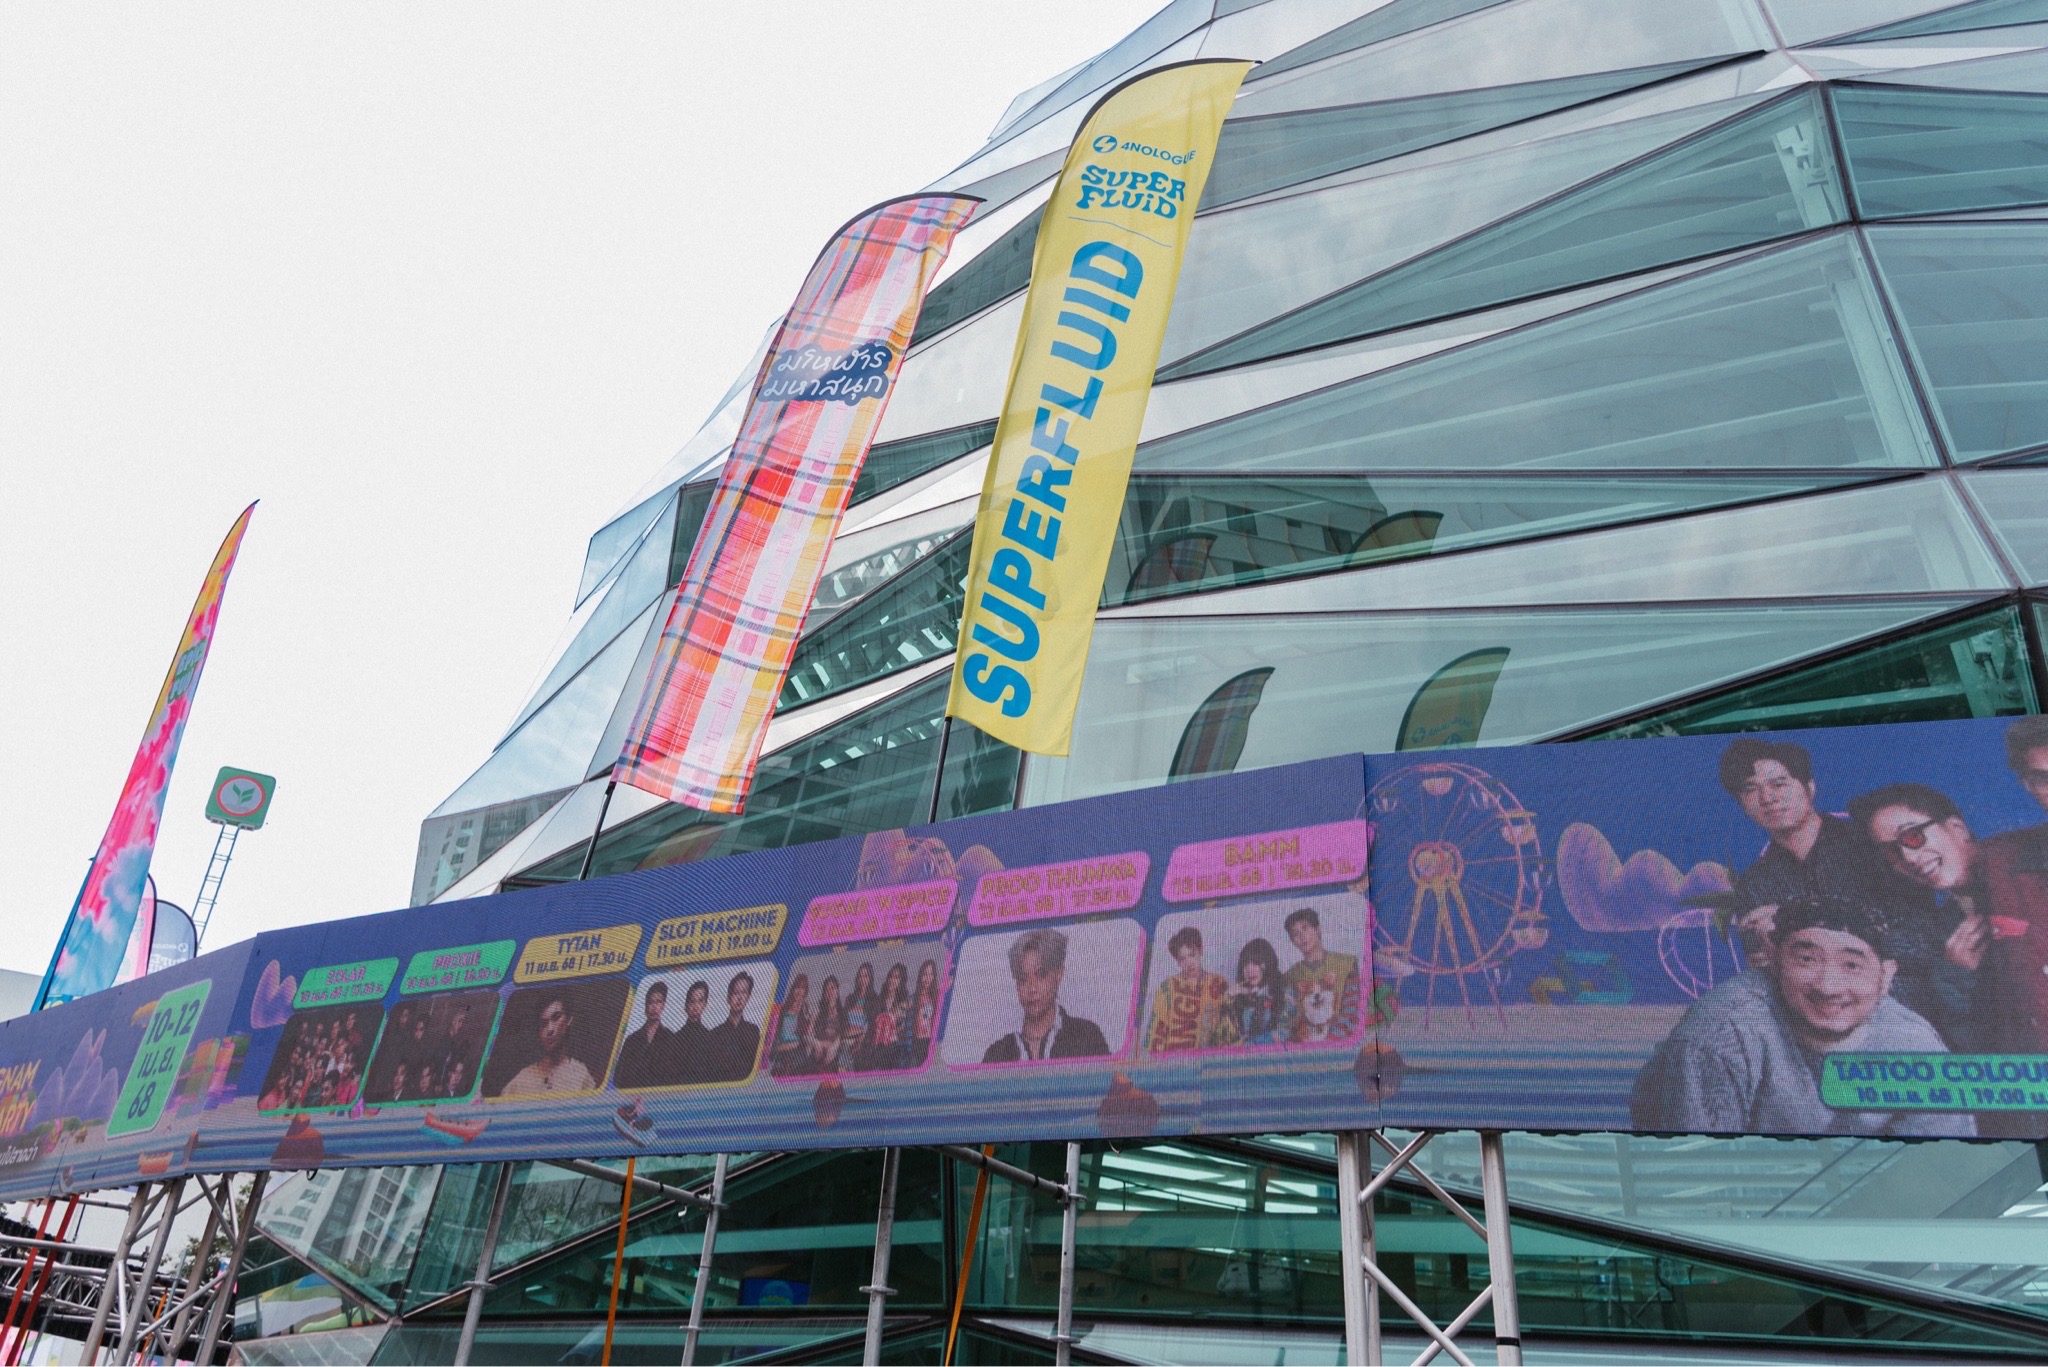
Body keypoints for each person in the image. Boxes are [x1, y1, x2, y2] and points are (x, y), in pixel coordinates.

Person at [1629, 895, 1970, 1137]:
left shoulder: (1916, 1045)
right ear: (1774, 961)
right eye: (1806, 960)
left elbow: (1937, 1172)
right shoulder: (1720, 1037)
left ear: (1886, 976)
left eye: (1852, 965)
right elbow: (1696, 1176)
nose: (1828, 986)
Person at [1718, 737, 1913, 964]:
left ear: (1809, 788)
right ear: (1742, 805)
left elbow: (1923, 937)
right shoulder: (1754, 884)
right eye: (1751, 789)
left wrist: (1802, 919)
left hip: (1897, 978)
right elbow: (1764, 963)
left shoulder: (1870, 843)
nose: (1768, 798)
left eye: (1779, 784)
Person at [1844, 783, 1990, 1047]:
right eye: (1891, 851)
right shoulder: (1946, 930)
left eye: (1912, 836)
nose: (1908, 858)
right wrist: (1955, 976)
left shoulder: (2029, 872)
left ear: (1957, 827)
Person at [981, 928, 1111, 1063]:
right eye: (1023, 979)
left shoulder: (1087, 1038)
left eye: (1041, 975)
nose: (1032, 988)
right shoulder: (997, 1054)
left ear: (1059, 974)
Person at [1145, 928, 1235, 1053]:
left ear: (1201, 950)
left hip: (1209, 1058)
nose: (1189, 963)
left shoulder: (1219, 983)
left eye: (1192, 955)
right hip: (1173, 1061)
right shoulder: (1167, 987)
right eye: (1182, 959)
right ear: (1177, 961)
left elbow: (1228, 1027)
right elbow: (1156, 1032)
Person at [1281, 908, 1360, 1042]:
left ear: (1318, 930)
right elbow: (1288, 1019)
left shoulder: (1347, 963)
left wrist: (1330, 1039)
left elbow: (1353, 1010)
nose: (1301, 936)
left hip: (1343, 1038)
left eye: (1305, 928)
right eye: (1295, 934)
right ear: (1292, 941)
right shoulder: (1289, 976)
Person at [499, 996, 596, 1097]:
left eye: (556, 1018)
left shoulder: (580, 1075)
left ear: (568, 1020)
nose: (549, 1029)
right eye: (543, 1023)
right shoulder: (522, 1079)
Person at [1227, 938, 1292, 1046]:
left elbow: (1283, 1033)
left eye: (1256, 963)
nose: (1249, 970)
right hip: (1243, 1055)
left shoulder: (1285, 993)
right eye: (1245, 964)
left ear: (1268, 964)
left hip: (1277, 1055)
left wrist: (1245, 1045)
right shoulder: (1240, 998)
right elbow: (1226, 1035)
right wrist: (1228, 999)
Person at [613, 982, 676, 1090]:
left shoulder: (670, 1038)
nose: (654, 1007)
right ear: (645, 1006)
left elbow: (674, 1075)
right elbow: (619, 1077)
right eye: (651, 1002)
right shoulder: (631, 1040)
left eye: (658, 1002)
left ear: (663, 1006)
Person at [704, 973, 762, 1083]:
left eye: (744, 992)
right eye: (735, 993)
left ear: (748, 997)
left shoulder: (753, 1031)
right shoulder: (714, 1034)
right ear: (728, 998)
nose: (739, 998)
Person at [769, 974, 813, 1077]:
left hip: (797, 1052)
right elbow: (774, 1038)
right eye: (797, 987)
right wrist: (784, 1046)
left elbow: (806, 1037)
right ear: (793, 989)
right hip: (781, 1050)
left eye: (803, 988)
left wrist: (811, 1019)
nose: (799, 991)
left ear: (805, 992)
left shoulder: (805, 1011)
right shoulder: (782, 1009)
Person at [672, 981, 714, 1085]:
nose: (696, 1006)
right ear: (685, 1006)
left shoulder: (710, 1038)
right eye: (692, 1001)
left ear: (705, 1004)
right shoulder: (675, 1039)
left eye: (700, 1001)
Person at [912, 959, 941, 1066]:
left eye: (931, 974)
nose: (927, 978)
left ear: (934, 977)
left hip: (930, 1042)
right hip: (915, 1042)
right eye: (925, 974)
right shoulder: (914, 998)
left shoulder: (937, 996)